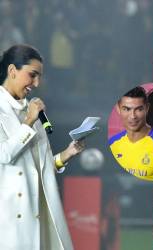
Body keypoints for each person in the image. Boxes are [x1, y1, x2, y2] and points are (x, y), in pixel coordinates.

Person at [0, 44, 84, 250]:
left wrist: (65, 155)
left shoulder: (32, 112)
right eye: (32, 75)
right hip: (10, 220)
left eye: (39, 77)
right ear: (12, 71)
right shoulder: (28, 116)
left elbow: (37, 168)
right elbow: (4, 154)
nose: (36, 83)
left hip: (39, 214)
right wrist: (28, 122)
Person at [109, 86, 153, 181]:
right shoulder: (112, 143)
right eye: (126, 109)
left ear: (147, 108)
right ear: (118, 109)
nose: (133, 116)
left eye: (139, 109)